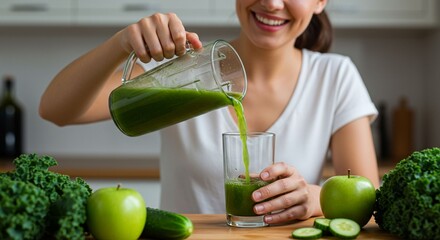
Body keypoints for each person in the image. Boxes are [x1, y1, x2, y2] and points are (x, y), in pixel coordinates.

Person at [39, 0, 380, 225]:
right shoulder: (188, 71)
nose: (273, 3)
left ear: (320, 1)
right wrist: (121, 44)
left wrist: (316, 197)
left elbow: (366, 199)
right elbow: (56, 109)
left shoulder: (335, 76)